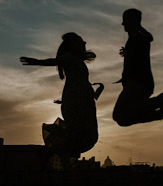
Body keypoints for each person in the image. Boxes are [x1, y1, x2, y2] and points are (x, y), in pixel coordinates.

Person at [20, 33, 104, 168]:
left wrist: (93, 93)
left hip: (84, 101)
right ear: (73, 45)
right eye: (81, 42)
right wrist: (36, 62)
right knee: (80, 133)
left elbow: (82, 83)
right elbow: (53, 61)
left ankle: (57, 155)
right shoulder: (69, 58)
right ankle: (52, 154)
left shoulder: (77, 60)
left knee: (87, 134)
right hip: (76, 101)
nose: (84, 44)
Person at [112, 9, 163, 127]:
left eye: (125, 20)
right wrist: (127, 53)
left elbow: (148, 37)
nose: (123, 24)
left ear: (132, 20)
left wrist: (136, 28)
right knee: (122, 118)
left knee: (119, 115)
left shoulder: (139, 36)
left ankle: (158, 102)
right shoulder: (134, 39)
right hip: (136, 83)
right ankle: (161, 113)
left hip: (138, 83)